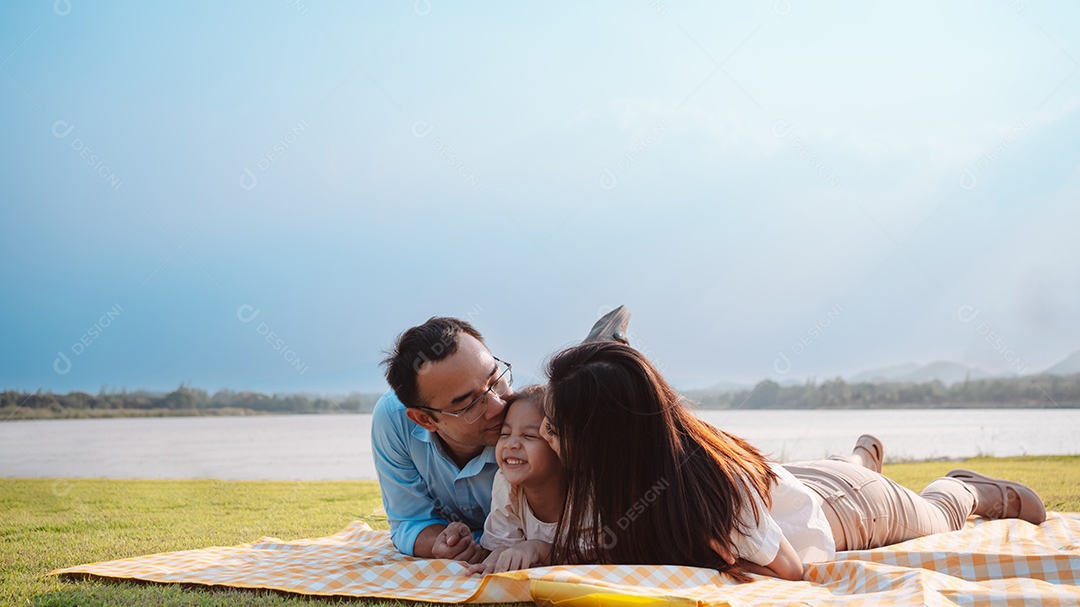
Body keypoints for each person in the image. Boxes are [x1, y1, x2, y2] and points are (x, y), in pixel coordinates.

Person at [540, 341, 1047, 581]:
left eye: (555, 427)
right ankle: (862, 456)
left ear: (607, 439)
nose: (543, 435)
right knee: (821, 475)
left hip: (848, 508)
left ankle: (967, 487)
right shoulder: (625, 474)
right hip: (792, 486)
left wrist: (728, 560)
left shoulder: (713, 498)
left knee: (935, 515)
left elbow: (790, 570)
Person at [373, 307, 629, 559]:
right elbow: (409, 519)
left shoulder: (531, 419)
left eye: (496, 381)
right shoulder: (394, 421)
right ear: (425, 419)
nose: (498, 406)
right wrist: (442, 543)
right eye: (469, 404)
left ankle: (595, 357)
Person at [462, 385, 566, 575]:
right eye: (505, 434)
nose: (511, 444)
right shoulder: (507, 485)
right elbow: (502, 544)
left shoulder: (586, 495)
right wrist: (497, 557)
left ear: (558, 444)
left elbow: (598, 558)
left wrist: (539, 549)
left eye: (529, 436)